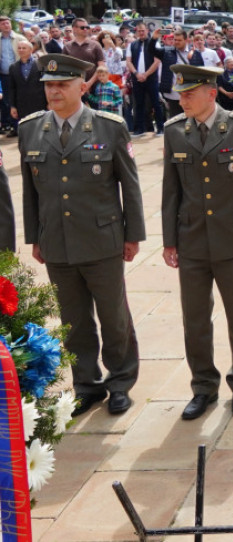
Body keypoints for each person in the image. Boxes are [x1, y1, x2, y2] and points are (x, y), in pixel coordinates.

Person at [20, 54, 145, 417]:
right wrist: (35, 237)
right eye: (48, 84)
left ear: (82, 86)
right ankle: (86, 384)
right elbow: (30, 192)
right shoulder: (31, 129)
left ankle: (120, 382)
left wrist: (132, 234)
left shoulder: (109, 127)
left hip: (102, 239)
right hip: (57, 241)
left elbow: (130, 186)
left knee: (113, 317)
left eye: (62, 84)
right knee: (73, 320)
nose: (54, 90)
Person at [162, 64, 233, 420]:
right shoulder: (175, 131)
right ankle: (203, 387)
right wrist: (169, 241)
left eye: (189, 94)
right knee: (194, 319)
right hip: (191, 240)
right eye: (180, 94)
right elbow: (170, 191)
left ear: (212, 93)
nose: (183, 101)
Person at [125, 22, 165, 137]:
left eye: (143, 30)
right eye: (139, 31)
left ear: (147, 30)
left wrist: (146, 75)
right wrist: (137, 74)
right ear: (136, 32)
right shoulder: (132, 45)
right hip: (137, 79)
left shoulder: (154, 43)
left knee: (156, 103)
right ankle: (139, 129)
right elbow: (128, 61)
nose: (141, 33)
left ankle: (160, 128)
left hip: (151, 78)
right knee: (139, 104)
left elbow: (157, 61)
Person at [9, 39, 45, 132]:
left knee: (40, 130)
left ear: (31, 50)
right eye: (19, 48)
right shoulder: (13, 67)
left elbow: (46, 84)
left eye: (24, 48)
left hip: (40, 104)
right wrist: (13, 106)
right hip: (22, 106)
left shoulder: (40, 64)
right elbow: (12, 88)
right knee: (26, 132)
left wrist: (49, 102)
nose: (21, 50)